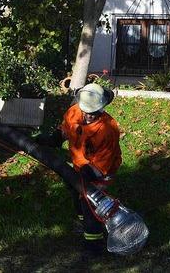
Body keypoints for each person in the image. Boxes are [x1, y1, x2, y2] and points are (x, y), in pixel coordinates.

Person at [42, 83, 121, 256]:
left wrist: (85, 177)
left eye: (94, 113)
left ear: (102, 108)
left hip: (101, 171)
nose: (88, 116)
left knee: (90, 201)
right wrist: (54, 138)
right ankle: (83, 222)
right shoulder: (74, 112)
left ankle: (94, 244)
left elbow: (103, 164)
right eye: (86, 111)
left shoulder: (108, 129)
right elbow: (66, 128)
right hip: (80, 166)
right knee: (75, 192)